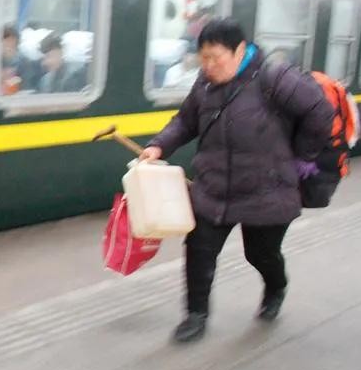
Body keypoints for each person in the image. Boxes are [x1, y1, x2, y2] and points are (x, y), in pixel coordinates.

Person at [140, 18, 333, 343]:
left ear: (240, 50)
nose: (208, 66)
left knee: (260, 253)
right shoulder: (204, 84)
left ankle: (276, 287)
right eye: (202, 58)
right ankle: (196, 315)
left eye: (215, 58)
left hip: (267, 189)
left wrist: (302, 156)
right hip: (214, 187)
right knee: (199, 249)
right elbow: (185, 121)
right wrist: (158, 146)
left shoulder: (275, 77)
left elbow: (321, 112)